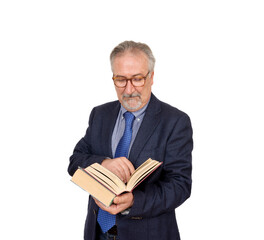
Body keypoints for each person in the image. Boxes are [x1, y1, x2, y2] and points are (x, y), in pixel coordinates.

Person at [68, 41, 193, 240]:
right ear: (113, 78)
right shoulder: (100, 114)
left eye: (137, 79)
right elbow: (75, 162)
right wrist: (104, 164)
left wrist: (135, 201)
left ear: (151, 77)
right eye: (121, 79)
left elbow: (180, 186)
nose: (128, 89)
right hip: (97, 232)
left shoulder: (175, 122)